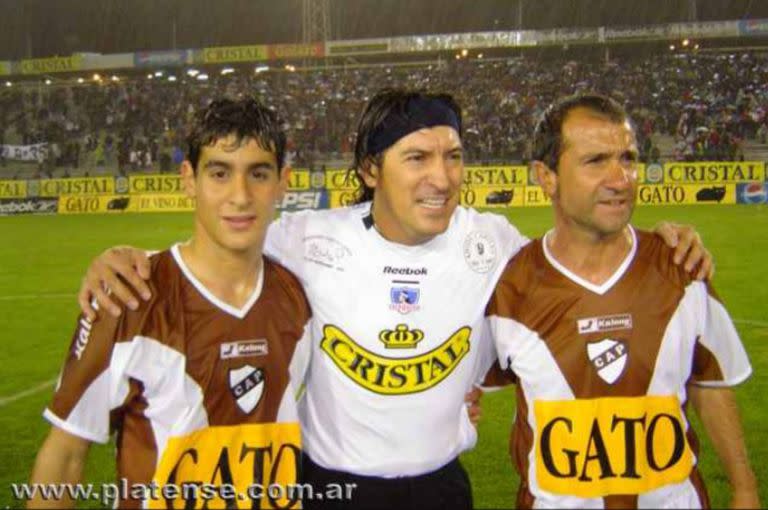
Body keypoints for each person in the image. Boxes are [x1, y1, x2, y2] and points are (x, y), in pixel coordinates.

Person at [74, 89, 713, 510]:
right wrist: (125, 260)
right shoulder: (306, 240)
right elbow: (220, 237)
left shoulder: (492, 242)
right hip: (334, 487)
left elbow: (573, 265)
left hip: (442, 488)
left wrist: (661, 241)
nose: (442, 177)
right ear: (371, 171)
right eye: (417, 158)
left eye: (453, 156)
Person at [29, 98, 312, 509]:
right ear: (188, 179)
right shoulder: (129, 298)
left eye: (259, 173)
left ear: (283, 182)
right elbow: (65, 455)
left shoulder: (301, 293)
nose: (240, 195)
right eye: (219, 172)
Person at [486, 93, 758, 509]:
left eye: (628, 158)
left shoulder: (681, 268)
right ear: (546, 176)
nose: (621, 179)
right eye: (596, 161)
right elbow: (462, 389)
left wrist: (744, 490)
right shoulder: (509, 287)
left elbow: (710, 382)